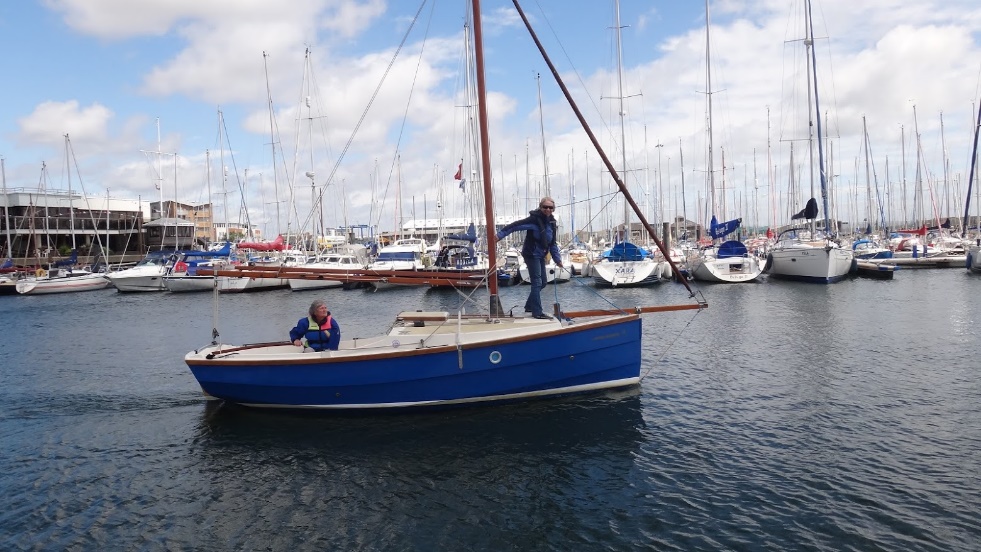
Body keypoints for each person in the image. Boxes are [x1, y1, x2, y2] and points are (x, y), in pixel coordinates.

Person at [495, 196, 564, 320]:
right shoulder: (534, 220)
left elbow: (552, 243)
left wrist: (557, 259)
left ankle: (529, 306)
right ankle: (537, 312)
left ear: (553, 209)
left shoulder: (552, 223)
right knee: (537, 282)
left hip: (541, 255)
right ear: (540, 207)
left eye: (550, 207)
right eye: (545, 207)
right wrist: (499, 235)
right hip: (531, 254)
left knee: (543, 282)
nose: (548, 209)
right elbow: (514, 226)